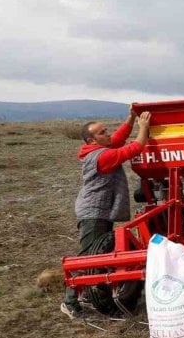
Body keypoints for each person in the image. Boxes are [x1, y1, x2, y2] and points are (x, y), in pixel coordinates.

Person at [61, 108, 152, 319]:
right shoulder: (102, 156)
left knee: (98, 255)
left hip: (100, 211)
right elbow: (133, 148)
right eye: (102, 132)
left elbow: (118, 139)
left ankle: (87, 294)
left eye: (106, 130)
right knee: (87, 258)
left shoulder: (99, 150)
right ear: (91, 141)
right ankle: (70, 301)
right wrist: (144, 128)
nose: (107, 133)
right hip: (94, 212)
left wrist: (130, 119)